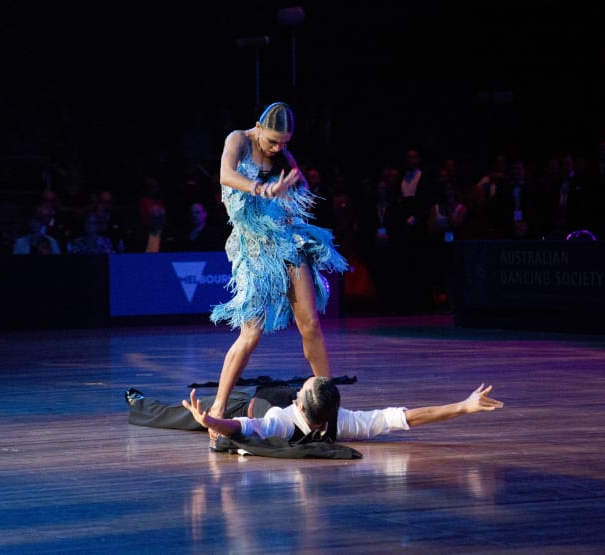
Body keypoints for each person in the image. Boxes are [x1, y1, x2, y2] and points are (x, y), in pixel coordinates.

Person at [207, 102, 348, 444]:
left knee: (311, 325)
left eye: (284, 143)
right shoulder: (239, 140)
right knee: (251, 335)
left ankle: (330, 410)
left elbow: (297, 190)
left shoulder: (283, 156)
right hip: (253, 247)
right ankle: (218, 409)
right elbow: (225, 174)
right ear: (258, 126)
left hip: (285, 239)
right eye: (272, 141)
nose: (277, 148)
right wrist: (260, 188)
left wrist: (285, 197)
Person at [125, 378, 503, 446]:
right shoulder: (345, 422)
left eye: (304, 386)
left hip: (245, 403)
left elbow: (243, 425)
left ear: (301, 403)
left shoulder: (281, 422)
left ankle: (139, 404)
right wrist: (463, 406)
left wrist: (209, 420)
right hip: (252, 405)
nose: (303, 383)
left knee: (177, 414)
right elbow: (403, 417)